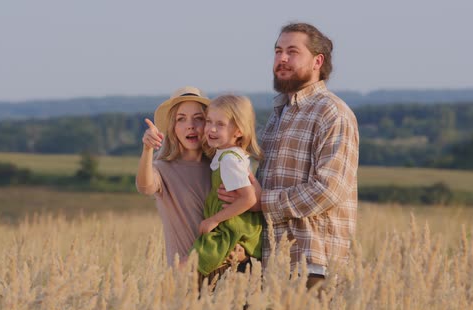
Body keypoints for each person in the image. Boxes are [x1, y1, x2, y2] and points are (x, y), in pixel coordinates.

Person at [219, 22, 359, 289]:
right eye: (277, 51)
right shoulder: (279, 113)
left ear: (318, 61)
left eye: (292, 52)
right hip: (272, 263)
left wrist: (263, 202)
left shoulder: (332, 113)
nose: (282, 59)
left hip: (313, 265)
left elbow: (328, 190)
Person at [136, 86, 212, 267]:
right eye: (181, 119)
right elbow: (145, 186)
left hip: (224, 276)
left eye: (198, 118)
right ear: (173, 127)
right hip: (182, 277)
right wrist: (147, 150)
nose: (190, 125)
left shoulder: (220, 167)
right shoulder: (163, 169)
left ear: (208, 124)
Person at [191, 95, 263, 279]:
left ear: (238, 131)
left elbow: (249, 198)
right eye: (208, 121)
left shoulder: (229, 159)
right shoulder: (227, 154)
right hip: (230, 226)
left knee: (184, 268)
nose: (211, 129)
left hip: (229, 230)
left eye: (220, 124)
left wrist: (213, 220)